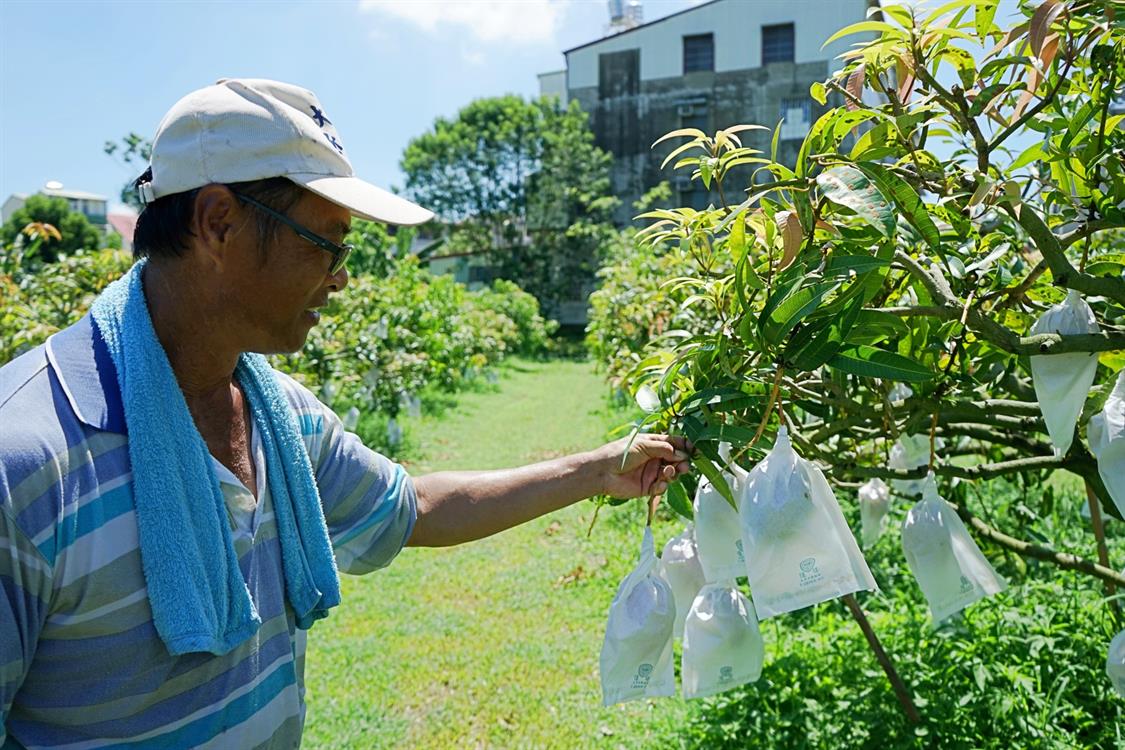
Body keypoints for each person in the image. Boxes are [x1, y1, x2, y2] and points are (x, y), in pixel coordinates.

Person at [0, 78, 691, 748]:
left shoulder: (277, 415)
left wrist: (599, 469)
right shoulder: (28, 461)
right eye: (325, 242)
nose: (341, 275)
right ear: (218, 223)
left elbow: (411, 508)